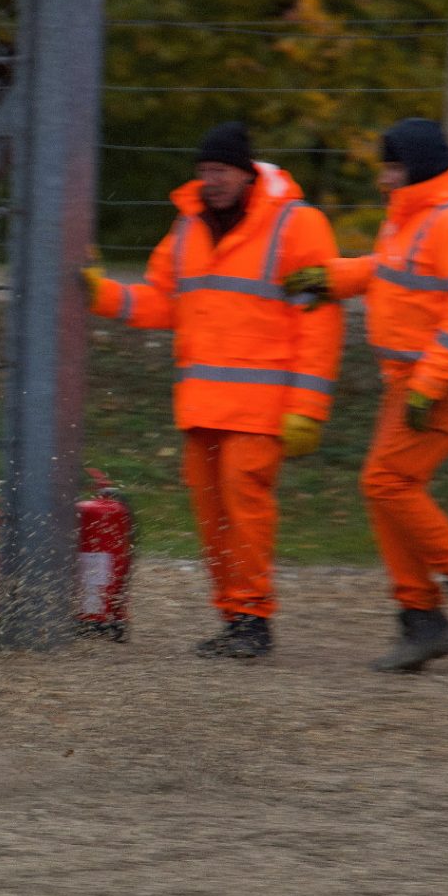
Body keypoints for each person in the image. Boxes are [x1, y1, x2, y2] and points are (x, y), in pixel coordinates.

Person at [84, 121, 344, 658]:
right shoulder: (188, 229)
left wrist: (309, 407)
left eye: (220, 171)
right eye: (204, 171)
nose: (211, 181)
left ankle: (252, 619)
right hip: (202, 408)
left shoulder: (297, 225)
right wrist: (102, 295)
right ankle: (235, 619)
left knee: (245, 515)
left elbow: (318, 320)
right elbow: (163, 302)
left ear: (247, 174)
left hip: (261, 410)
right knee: (213, 520)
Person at [283, 117, 448, 672]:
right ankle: (421, 616)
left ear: (415, 167)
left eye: (391, 165)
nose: (383, 177)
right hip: (414, 379)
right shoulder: (412, 215)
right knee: (388, 486)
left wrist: (430, 384)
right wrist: (331, 278)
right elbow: (391, 272)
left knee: (387, 482)